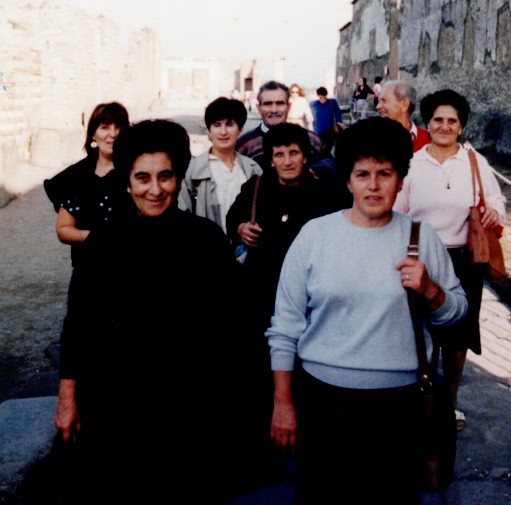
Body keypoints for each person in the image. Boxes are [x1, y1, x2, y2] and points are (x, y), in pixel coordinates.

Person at [265, 116, 467, 505]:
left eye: (384, 174)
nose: (373, 186)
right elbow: (285, 327)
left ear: (400, 180)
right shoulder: (315, 236)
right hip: (324, 404)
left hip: (398, 409)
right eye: (362, 175)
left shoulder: (420, 238)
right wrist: (283, 402)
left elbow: (456, 314)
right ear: (347, 181)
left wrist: (431, 291)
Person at [54, 119, 247, 504]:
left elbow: (234, 325)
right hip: (116, 405)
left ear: (178, 179)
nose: (155, 190)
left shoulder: (205, 240)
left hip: (191, 405)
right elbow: (79, 324)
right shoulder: (102, 243)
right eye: (142, 178)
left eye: (165, 176)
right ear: (127, 182)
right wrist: (67, 398)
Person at [226, 122, 344, 485]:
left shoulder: (324, 191)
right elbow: (233, 219)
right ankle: (267, 448)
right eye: (279, 154)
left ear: (305, 156)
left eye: (294, 153)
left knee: (306, 371)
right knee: (263, 369)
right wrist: (241, 228)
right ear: (271, 159)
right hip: (262, 293)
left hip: (310, 295)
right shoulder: (256, 187)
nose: (287, 160)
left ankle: (305, 445)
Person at [393, 89, 506, 432]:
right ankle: (423, 397)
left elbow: (497, 201)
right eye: (437, 119)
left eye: (451, 121)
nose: (444, 126)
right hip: (423, 257)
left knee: (458, 335)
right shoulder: (412, 163)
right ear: (427, 123)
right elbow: (398, 210)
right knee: (420, 329)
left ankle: (451, 402)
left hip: (464, 259)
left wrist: (494, 213)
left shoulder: (474, 162)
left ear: (461, 126)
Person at [43, 101, 130, 268]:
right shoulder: (77, 175)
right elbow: (63, 229)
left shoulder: (137, 173)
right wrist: (99, 239)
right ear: (93, 134)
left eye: (119, 127)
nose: (113, 134)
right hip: (87, 270)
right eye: (105, 127)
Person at [177, 96, 262, 232]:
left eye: (229, 124)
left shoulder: (252, 169)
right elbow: (182, 214)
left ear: (240, 130)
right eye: (217, 125)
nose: (223, 132)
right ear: (209, 131)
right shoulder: (193, 171)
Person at [235, 80, 326, 172]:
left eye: (280, 103)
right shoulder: (244, 145)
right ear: (259, 108)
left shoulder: (312, 139)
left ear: (289, 106)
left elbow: (329, 165)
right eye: (268, 104)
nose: (274, 110)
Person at [377, 80, 431, 152]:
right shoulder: (370, 138)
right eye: (378, 101)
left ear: (404, 104)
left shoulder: (430, 141)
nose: (378, 106)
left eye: (384, 101)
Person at [310, 86, 343, 154]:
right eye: (321, 98)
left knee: (328, 150)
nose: (323, 100)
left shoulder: (332, 102)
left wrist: (338, 121)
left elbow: (338, 112)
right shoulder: (313, 104)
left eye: (324, 98)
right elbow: (309, 116)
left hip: (330, 131)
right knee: (319, 151)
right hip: (318, 132)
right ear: (318, 96)